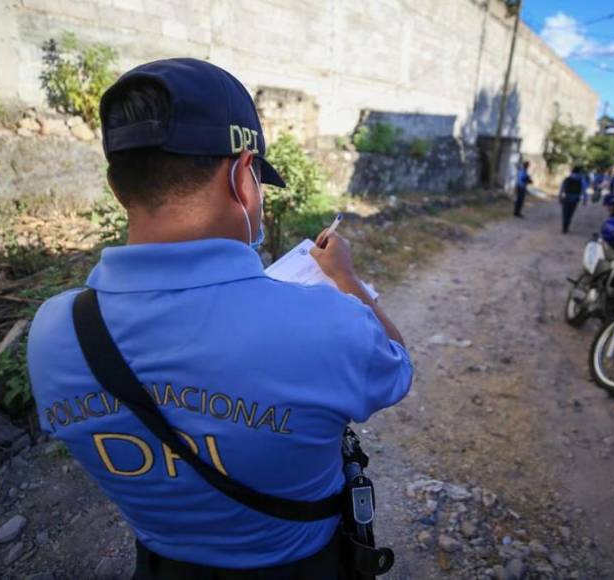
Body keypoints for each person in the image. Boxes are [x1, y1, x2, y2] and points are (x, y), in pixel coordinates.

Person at [26, 58, 413, 579]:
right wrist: (345, 280)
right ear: (241, 178)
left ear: (119, 189)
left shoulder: (54, 331)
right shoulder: (329, 323)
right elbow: (398, 366)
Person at [559, 166, 585, 233]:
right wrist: (585, 200)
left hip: (567, 198)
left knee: (565, 213)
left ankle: (564, 227)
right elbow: (584, 190)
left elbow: (562, 188)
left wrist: (560, 197)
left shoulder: (567, 179)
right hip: (575, 199)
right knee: (570, 214)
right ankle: (566, 227)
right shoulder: (581, 180)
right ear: (579, 172)